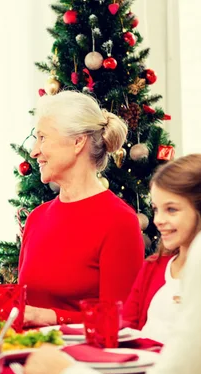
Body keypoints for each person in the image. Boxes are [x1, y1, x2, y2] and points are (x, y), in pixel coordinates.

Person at [23, 55, 201, 374]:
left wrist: (61, 370)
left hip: (89, 372)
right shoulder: (37, 217)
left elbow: (125, 329)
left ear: (78, 142)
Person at [18, 91, 144, 327]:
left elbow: (122, 321)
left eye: (43, 137)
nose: (34, 151)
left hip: (80, 362)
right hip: (28, 357)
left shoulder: (119, 221)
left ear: (78, 142)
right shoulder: (37, 217)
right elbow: (23, 307)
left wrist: (50, 317)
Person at [122, 154, 201, 343]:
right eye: (156, 209)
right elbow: (127, 327)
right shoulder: (153, 266)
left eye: (171, 209)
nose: (158, 220)